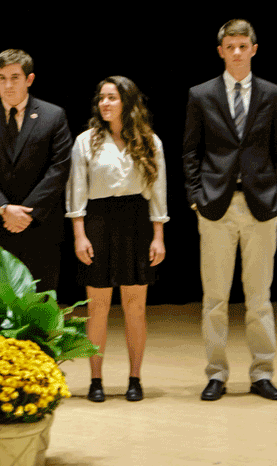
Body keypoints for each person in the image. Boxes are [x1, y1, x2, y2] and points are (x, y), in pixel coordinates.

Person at [183, 19, 277, 401]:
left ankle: (262, 373)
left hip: (261, 205)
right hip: (216, 207)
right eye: (231, 46)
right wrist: (197, 196)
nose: (238, 52)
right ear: (221, 51)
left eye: (244, 45)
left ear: (254, 49)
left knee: (260, 297)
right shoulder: (202, 94)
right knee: (215, 299)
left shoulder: (272, 94)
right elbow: (191, 152)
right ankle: (216, 374)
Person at [67, 76, 168, 402]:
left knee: (135, 308)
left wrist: (158, 236)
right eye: (101, 98)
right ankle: (96, 380)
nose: (105, 104)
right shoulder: (86, 141)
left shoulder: (150, 141)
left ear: (127, 101)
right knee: (97, 307)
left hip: (137, 222)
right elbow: (77, 191)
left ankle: (134, 378)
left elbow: (158, 193)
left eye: (112, 97)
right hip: (97, 222)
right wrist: (79, 235)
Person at [0, 49, 72, 289]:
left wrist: (26, 213)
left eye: (15, 77)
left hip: (40, 231)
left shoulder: (54, 116)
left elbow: (59, 168)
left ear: (29, 79)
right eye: (2, 78)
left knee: (40, 313)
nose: (8, 85)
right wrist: (3, 209)